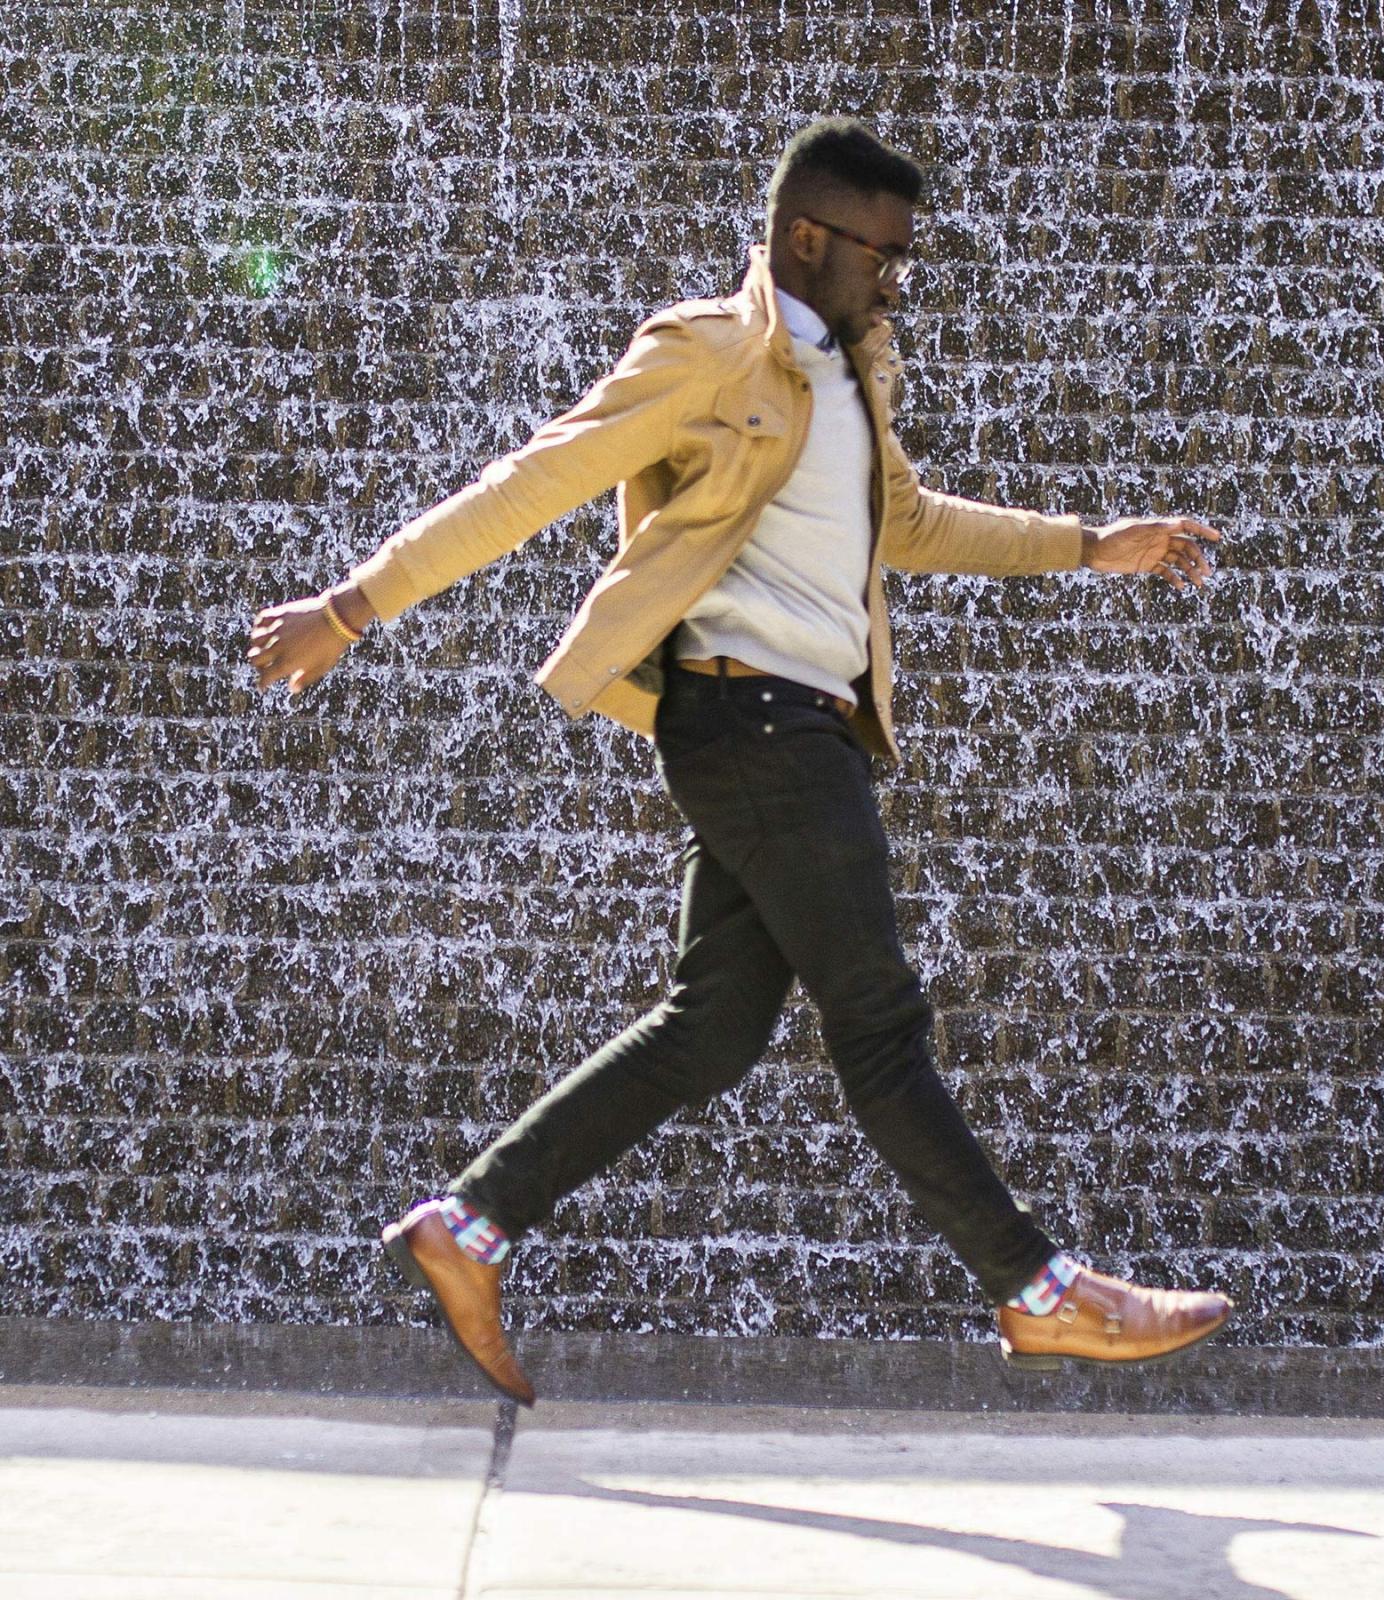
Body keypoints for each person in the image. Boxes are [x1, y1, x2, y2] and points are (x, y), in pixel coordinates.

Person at [247, 119, 1230, 1408]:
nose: (896, 281)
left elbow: (912, 521)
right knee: (879, 1026)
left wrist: (1090, 543)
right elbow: (532, 480)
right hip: (750, 717)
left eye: (907, 259)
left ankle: (467, 1226)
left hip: (805, 725)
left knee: (712, 1027)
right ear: (804, 237)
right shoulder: (708, 351)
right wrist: (353, 605)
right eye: (880, 253)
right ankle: (1038, 1292)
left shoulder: (854, 373)